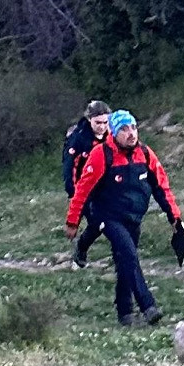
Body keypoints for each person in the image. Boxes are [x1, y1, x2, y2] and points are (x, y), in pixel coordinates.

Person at [65, 110, 181, 326]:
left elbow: (162, 187)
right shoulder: (101, 154)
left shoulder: (145, 154)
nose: (131, 134)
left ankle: (125, 312)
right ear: (114, 133)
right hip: (107, 215)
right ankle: (148, 306)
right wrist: (73, 221)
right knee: (129, 254)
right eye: (124, 129)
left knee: (124, 261)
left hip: (133, 217)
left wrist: (174, 217)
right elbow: (83, 189)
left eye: (134, 128)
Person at [62, 100, 112, 268]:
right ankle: (81, 248)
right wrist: (72, 191)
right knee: (97, 222)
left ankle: (120, 252)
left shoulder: (111, 136)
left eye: (105, 122)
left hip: (105, 187)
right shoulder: (78, 139)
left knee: (110, 221)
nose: (102, 127)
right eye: (98, 123)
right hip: (83, 187)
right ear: (89, 119)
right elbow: (69, 167)